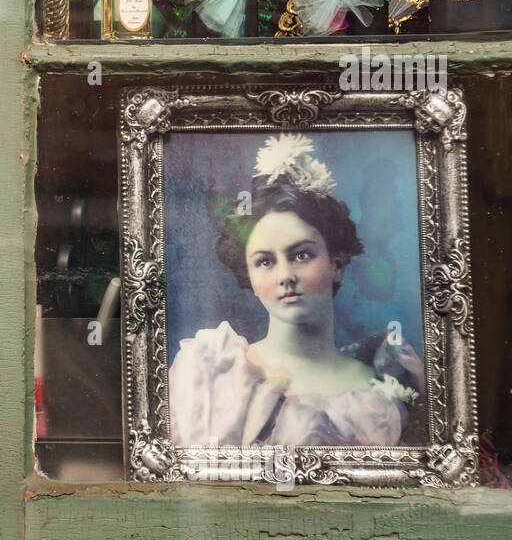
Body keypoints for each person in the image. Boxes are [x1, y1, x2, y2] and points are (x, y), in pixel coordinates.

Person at [169, 133, 425, 447]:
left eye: (301, 255)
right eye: (265, 262)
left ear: (337, 265)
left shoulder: (386, 385)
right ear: (249, 278)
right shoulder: (214, 369)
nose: (285, 276)